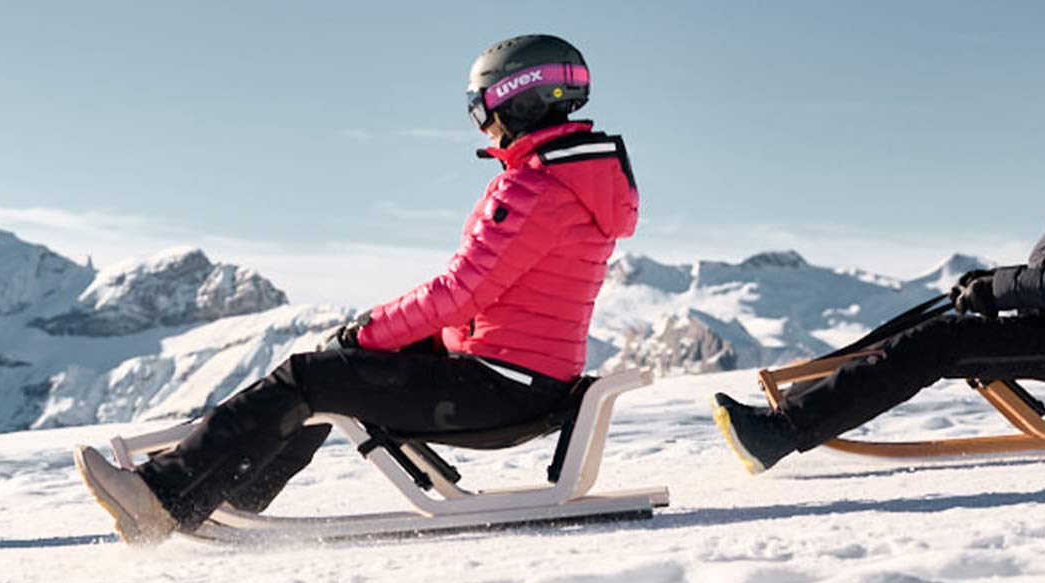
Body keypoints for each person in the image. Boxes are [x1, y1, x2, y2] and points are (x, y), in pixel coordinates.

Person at [73, 34, 641, 545]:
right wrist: (370, 342)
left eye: (480, 108)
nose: (482, 125)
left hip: (500, 390)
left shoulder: (532, 189)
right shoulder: (574, 183)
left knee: (308, 377)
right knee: (330, 368)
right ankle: (229, 493)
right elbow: (494, 300)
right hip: (525, 380)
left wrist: (365, 332)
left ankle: (161, 498)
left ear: (516, 101)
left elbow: (459, 293)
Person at [713, 49, 1045, 474]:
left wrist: (1003, 287)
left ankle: (781, 431)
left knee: (939, 342)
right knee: (913, 330)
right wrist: (993, 283)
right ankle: (785, 412)